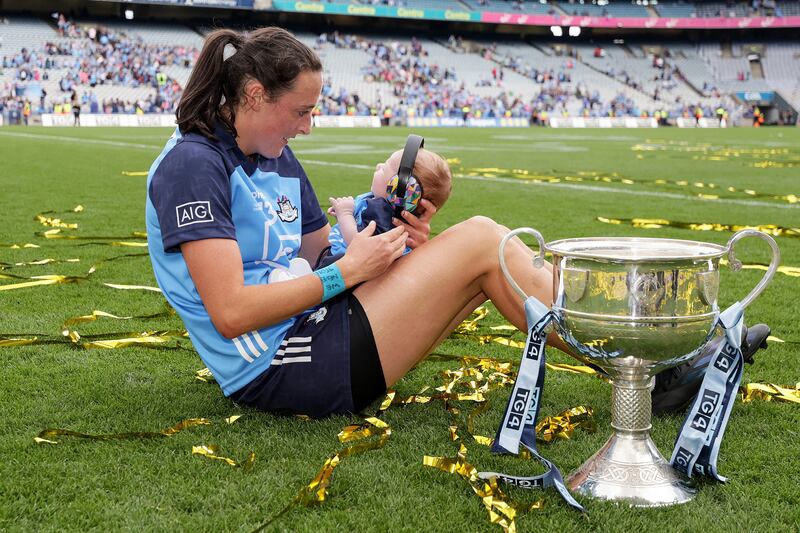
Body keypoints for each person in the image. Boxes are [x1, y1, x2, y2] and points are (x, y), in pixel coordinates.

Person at [146, 27, 770, 419]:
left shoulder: (275, 157)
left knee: (483, 255)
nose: (309, 126)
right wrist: (349, 272)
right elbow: (230, 312)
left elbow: (314, 252)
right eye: (300, 111)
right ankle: (658, 363)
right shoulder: (193, 167)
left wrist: (376, 222)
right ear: (253, 95)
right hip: (281, 367)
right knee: (481, 242)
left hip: (314, 324)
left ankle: (655, 370)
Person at [326, 141, 452, 257]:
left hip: (347, 272)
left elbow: (357, 244)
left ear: (397, 190)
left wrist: (345, 214)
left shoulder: (381, 216)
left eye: (384, 168)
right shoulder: (388, 210)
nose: (378, 166)